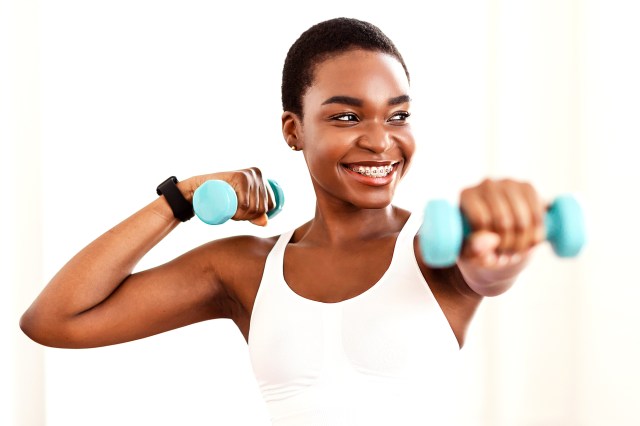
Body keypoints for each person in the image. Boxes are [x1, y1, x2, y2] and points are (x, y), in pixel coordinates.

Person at [20, 17, 545, 425]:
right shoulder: (246, 269)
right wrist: (179, 199)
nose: (381, 140)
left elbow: (489, 267)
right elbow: (54, 319)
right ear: (293, 130)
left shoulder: (436, 247)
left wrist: (504, 238)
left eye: (398, 115)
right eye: (346, 116)